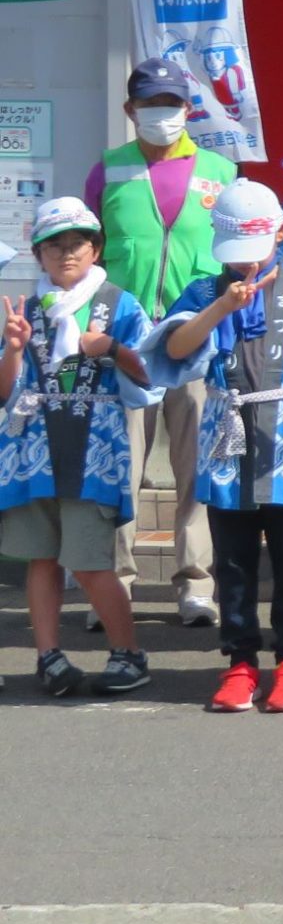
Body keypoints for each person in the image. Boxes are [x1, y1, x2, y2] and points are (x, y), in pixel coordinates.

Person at [144, 181, 283, 714]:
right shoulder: (205, 292)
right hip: (225, 439)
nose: (244, 267)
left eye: (254, 254)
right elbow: (174, 348)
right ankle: (238, 661)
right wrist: (220, 309)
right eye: (235, 257)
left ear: (281, 233)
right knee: (232, 563)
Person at [87, 56, 231, 626]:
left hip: (193, 336)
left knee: (195, 466)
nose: (162, 115)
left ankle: (196, 583)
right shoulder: (108, 169)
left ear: (189, 110)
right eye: (150, 105)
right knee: (118, 464)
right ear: (131, 111)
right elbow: (91, 253)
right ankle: (114, 582)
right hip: (125, 339)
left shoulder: (221, 170)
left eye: (171, 105)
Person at [0, 199, 154, 697]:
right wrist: (16, 349)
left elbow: (152, 374)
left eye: (77, 243)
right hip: (34, 446)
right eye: (54, 245)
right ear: (38, 253)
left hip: (95, 446)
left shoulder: (119, 302)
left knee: (90, 560)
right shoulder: (24, 309)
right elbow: (5, 392)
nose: (66, 254)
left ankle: (128, 652)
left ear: (95, 248)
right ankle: (49, 655)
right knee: (40, 557)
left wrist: (109, 348)